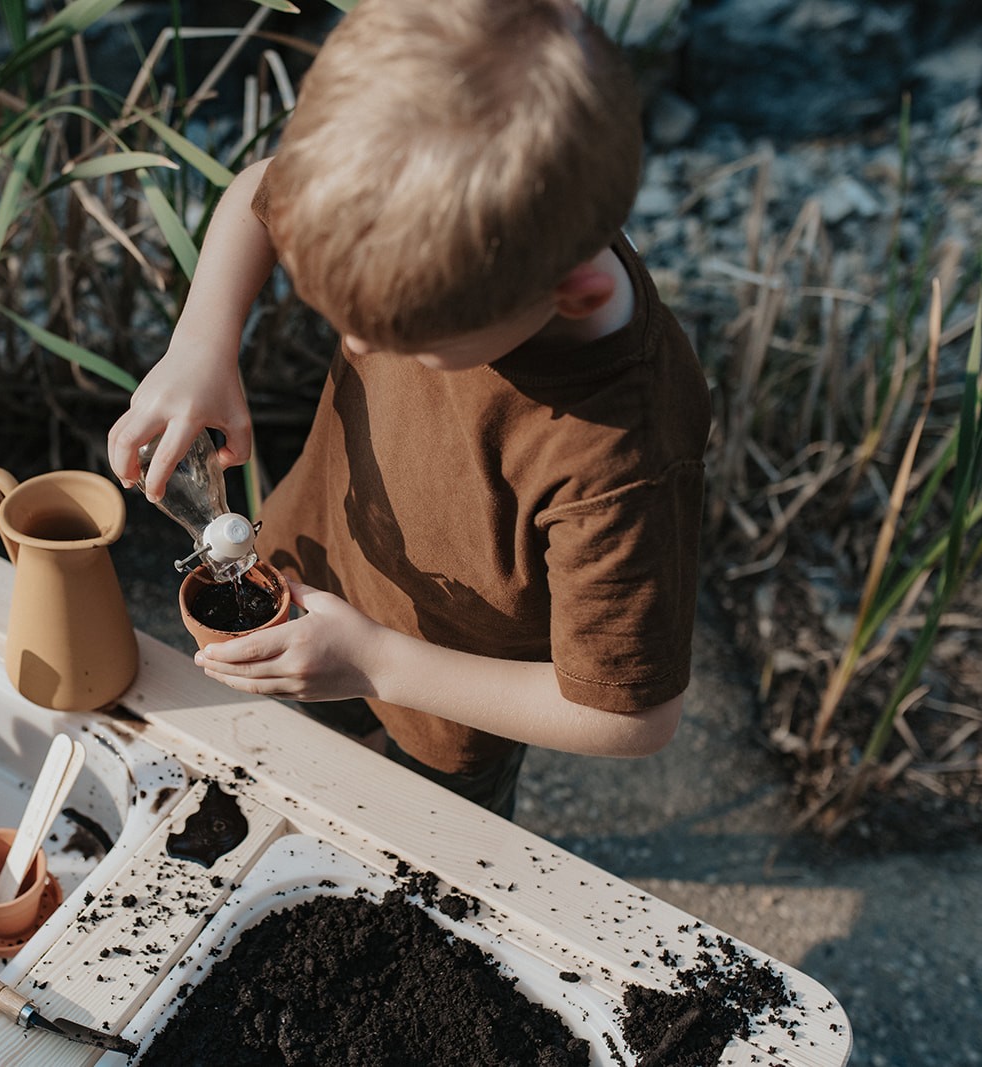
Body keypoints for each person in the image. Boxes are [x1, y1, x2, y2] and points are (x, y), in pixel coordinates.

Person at [106, 0, 711, 820]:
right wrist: (200, 346)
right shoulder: (435, 222)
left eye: (409, 342)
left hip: (445, 703)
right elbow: (259, 187)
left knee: (409, 837)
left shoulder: (622, 453)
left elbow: (631, 716)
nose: (356, 346)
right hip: (322, 568)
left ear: (577, 292)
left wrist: (376, 664)